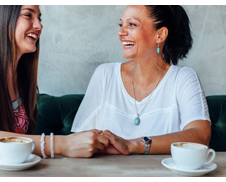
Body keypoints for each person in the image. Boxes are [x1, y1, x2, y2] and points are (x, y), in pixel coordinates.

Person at [0, 5, 109, 158]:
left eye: (39, 18)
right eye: (28, 15)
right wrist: (62, 144)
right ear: (3, 19)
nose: (39, 25)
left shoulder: (21, 79)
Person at [71, 5, 211, 155]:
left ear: (160, 35)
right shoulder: (105, 74)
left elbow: (200, 136)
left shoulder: (183, 78)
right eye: (121, 24)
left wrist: (133, 145)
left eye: (132, 24)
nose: (121, 32)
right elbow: (77, 141)